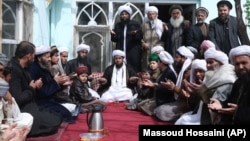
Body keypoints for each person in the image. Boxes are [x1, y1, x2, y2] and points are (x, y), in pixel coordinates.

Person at [8, 41, 63, 137]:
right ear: (28, 56)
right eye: (33, 55)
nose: (34, 58)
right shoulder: (14, 70)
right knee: (54, 122)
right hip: (23, 110)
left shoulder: (24, 68)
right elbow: (17, 99)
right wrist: (32, 88)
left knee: (58, 116)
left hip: (32, 104)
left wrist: (36, 87)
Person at [185, 48, 237, 124]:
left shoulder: (227, 79)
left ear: (221, 63)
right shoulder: (213, 76)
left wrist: (202, 92)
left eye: (211, 62)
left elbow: (215, 103)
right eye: (207, 62)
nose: (208, 65)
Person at [29, 45, 77, 123]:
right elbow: (42, 92)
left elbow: (51, 87)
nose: (49, 59)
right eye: (47, 57)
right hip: (40, 102)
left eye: (49, 57)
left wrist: (61, 84)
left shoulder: (44, 68)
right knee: (65, 114)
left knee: (73, 105)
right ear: (39, 58)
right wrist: (56, 82)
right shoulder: (34, 69)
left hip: (50, 99)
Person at [208, 45, 250, 124]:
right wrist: (221, 105)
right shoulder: (238, 83)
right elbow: (230, 103)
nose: (240, 67)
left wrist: (238, 111)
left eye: (244, 63)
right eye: (237, 64)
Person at [141, 51, 177, 116]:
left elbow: (167, 89)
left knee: (155, 111)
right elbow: (160, 85)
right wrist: (152, 85)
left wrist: (154, 85)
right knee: (140, 105)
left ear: (161, 63)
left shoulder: (169, 73)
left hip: (164, 100)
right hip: (157, 98)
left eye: (158, 62)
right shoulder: (163, 71)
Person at [110, 4, 143, 73]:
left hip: (132, 51)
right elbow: (115, 40)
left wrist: (135, 35)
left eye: (126, 14)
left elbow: (140, 37)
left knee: (133, 70)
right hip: (121, 51)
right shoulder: (118, 25)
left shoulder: (135, 24)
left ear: (129, 15)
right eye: (122, 14)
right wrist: (113, 35)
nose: (124, 16)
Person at [175, 59, 207, 125]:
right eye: (196, 71)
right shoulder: (192, 81)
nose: (197, 74)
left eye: (201, 71)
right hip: (190, 109)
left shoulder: (209, 84)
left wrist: (200, 92)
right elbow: (188, 101)